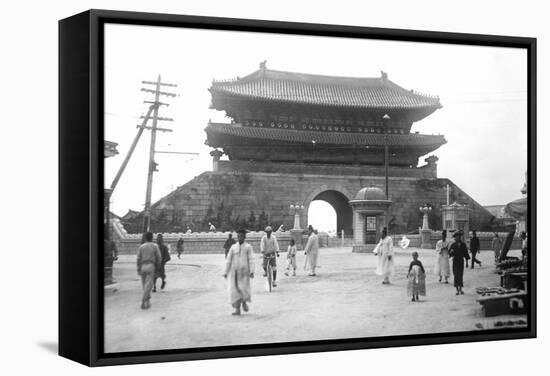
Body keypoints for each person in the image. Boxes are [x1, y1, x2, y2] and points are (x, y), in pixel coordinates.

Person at [224, 229, 255, 315]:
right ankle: (237, 309)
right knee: (234, 290)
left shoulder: (248, 247)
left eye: (242, 236)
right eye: (238, 236)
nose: (240, 238)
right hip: (235, 273)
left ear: (244, 237)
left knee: (243, 289)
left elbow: (251, 259)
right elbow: (229, 260)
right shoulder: (233, 247)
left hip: (244, 273)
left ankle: (244, 302)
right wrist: (226, 271)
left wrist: (252, 271)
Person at [136, 232, 161, 309]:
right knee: (149, 285)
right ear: (152, 238)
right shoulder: (155, 246)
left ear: (145, 238)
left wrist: (138, 268)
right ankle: (144, 300)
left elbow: (138, 258)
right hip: (151, 265)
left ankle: (147, 301)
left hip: (143, 266)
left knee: (144, 285)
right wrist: (158, 267)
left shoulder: (141, 247)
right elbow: (159, 257)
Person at [449, 231, 470, 295]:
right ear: (455, 238)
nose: (458, 237)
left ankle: (460, 288)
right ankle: (457, 290)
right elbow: (449, 253)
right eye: (456, 236)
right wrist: (451, 252)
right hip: (455, 261)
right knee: (456, 274)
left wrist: (466, 262)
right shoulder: (453, 245)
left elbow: (466, 253)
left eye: (459, 236)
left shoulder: (463, 244)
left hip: (461, 261)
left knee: (460, 275)